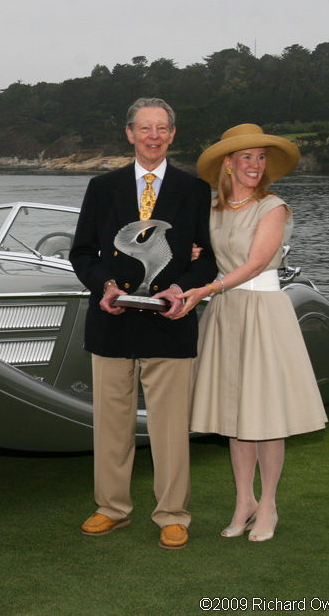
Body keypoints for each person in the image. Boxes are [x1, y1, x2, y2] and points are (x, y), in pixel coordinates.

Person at [70, 97, 217, 550]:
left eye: (161, 128)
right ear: (130, 133)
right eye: (144, 128)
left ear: (172, 134)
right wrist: (105, 288)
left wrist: (183, 291)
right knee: (111, 425)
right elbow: (82, 253)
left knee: (170, 427)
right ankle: (111, 508)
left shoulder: (195, 190)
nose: (153, 136)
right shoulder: (102, 186)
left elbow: (207, 259)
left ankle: (173, 513)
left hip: (170, 321)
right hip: (112, 321)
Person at [176, 124, 328, 542]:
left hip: (262, 312)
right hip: (226, 313)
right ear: (229, 162)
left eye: (261, 158)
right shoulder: (211, 210)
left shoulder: (273, 207)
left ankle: (270, 505)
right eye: (247, 157)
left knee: (265, 415)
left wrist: (207, 288)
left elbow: (258, 262)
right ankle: (245, 501)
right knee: (236, 416)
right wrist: (190, 258)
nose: (255, 166)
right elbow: (201, 256)